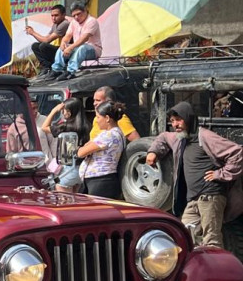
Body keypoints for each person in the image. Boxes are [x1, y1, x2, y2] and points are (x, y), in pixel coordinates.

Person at [146, 102, 243, 248]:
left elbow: (236, 152)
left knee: (212, 241)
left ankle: (217, 264)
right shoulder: (181, 139)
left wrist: (221, 174)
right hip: (192, 200)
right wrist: (153, 152)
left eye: (179, 119)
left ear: (188, 119)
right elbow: (164, 137)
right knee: (185, 237)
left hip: (210, 197)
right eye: (172, 121)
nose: (175, 124)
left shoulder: (205, 136)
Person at [77, 101, 127, 198]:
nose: (96, 120)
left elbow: (81, 153)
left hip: (101, 181)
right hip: (99, 180)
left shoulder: (109, 135)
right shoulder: (115, 133)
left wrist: (82, 148)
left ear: (107, 118)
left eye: (98, 117)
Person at [43, 98, 90, 192]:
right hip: (82, 168)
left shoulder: (65, 126)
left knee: (62, 197)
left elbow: (44, 128)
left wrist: (53, 111)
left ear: (69, 112)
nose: (62, 112)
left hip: (68, 169)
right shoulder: (88, 126)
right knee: (75, 197)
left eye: (63, 110)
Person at [50, 2, 102, 80]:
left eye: (78, 14)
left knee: (82, 48)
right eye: (74, 15)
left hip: (93, 50)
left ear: (85, 11)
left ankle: (70, 71)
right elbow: (67, 36)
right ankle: (56, 70)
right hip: (77, 48)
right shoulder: (74, 22)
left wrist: (70, 47)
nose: (76, 17)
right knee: (62, 47)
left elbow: (84, 39)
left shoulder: (91, 21)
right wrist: (63, 43)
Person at [27, 5, 69, 79]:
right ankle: (46, 67)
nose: (53, 18)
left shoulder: (65, 24)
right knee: (35, 46)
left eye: (56, 15)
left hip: (65, 51)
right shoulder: (55, 25)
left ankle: (53, 67)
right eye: (52, 16)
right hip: (59, 50)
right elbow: (46, 38)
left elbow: (46, 40)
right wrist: (33, 33)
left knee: (43, 46)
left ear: (63, 15)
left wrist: (33, 33)